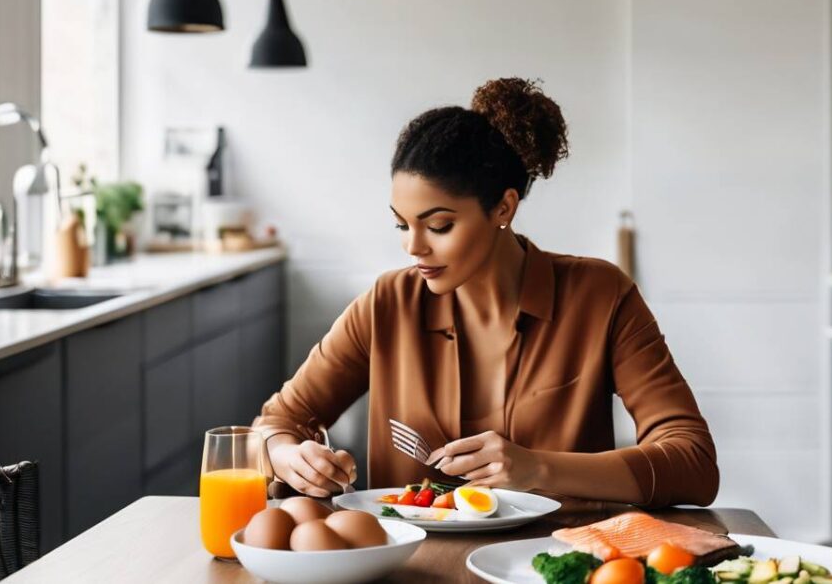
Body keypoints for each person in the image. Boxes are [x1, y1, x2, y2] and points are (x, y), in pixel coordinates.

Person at [253, 77, 718, 508]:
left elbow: (692, 461)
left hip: (552, 556)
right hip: (411, 562)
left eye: (439, 225)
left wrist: (538, 468)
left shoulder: (601, 296)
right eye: (402, 225)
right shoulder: (387, 303)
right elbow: (272, 426)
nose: (413, 246)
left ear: (503, 208)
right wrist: (286, 455)